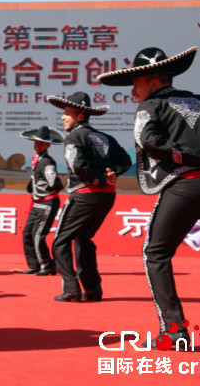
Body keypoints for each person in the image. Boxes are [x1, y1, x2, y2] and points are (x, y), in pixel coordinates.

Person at [98, 46, 200, 351]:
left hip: (186, 185)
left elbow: (149, 142)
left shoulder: (150, 106)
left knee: (155, 253)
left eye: (136, 84)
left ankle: (175, 331)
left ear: (153, 80)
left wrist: (196, 159)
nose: (133, 92)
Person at [46, 92, 132, 302]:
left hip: (85, 195)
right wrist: (111, 175)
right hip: (106, 198)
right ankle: (93, 288)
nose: (63, 117)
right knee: (83, 239)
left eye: (67, 112)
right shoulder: (105, 137)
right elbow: (126, 160)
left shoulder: (73, 138)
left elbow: (78, 165)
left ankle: (72, 288)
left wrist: (99, 180)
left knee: (60, 242)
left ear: (81, 114)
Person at [19, 126, 65, 275]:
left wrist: (44, 189)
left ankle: (48, 265)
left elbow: (55, 184)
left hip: (47, 203)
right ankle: (35, 265)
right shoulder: (37, 160)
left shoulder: (47, 162)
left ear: (48, 145)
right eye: (35, 142)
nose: (36, 146)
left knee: (38, 234)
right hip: (38, 203)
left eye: (40, 143)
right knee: (27, 233)